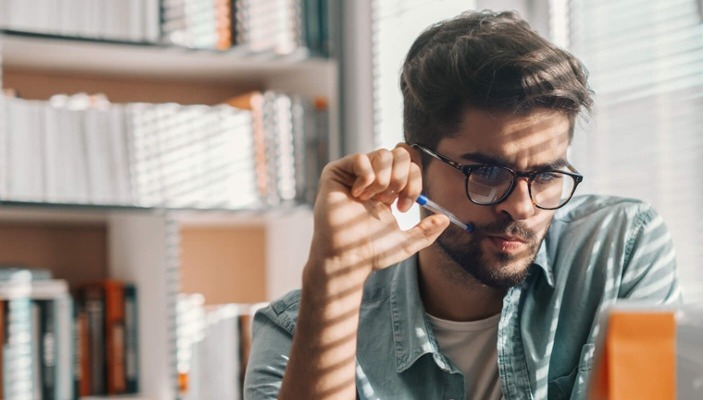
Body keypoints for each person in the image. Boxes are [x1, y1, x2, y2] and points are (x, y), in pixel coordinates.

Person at [244, 10, 680, 400]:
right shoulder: (294, 329)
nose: (522, 208)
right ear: (415, 168)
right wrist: (334, 275)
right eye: (487, 174)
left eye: (546, 175)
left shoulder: (619, 249)